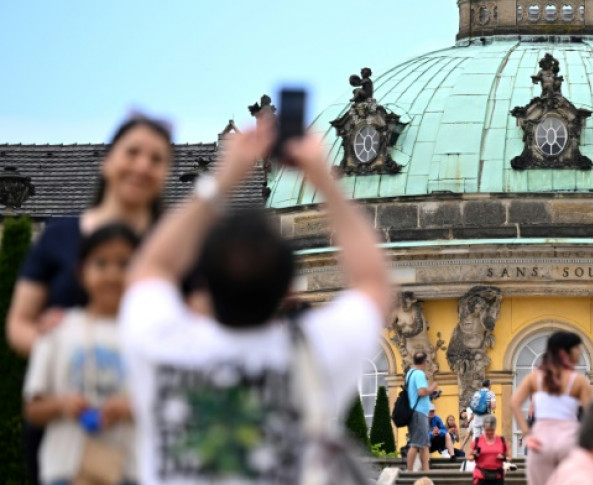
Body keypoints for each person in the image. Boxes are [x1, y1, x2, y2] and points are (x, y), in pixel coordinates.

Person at [118, 121, 393, 484]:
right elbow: (374, 281)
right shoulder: (313, 354)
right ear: (288, 294)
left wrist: (221, 180)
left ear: (202, 285)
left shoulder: (165, 346)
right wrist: (325, 181)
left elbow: (150, 267)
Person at [7, 116, 172, 485]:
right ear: (108, 160)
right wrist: (55, 346)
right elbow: (19, 323)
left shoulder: (173, 248)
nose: (143, 165)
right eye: (132, 152)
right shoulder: (59, 235)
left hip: (138, 454)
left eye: (157, 158)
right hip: (65, 450)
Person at [23, 224, 140, 485]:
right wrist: (62, 405)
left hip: (130, 472)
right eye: (100, 263)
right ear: (80, 272)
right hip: (65, 472)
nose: (112, 274)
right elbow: (32, 408)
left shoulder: (148, 337)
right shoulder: (57, 330)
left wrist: (132, 408)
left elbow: (167, 404)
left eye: (124, 264)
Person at [510, 331, 592, 485]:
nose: (579, 352)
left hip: (540, 440)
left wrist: (527, 433)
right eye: (576, 348)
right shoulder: (578, 381)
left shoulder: (535, 377)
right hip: (569, 439)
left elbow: (514, 402)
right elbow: (591, 416)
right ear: (564, 352)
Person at [407, 351, 440, 471]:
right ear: (424, 362)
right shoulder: (419, 374)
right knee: (416, 444)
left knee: (424, 444)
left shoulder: (410, 373)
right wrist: (432, 387)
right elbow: (421, 392)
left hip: (416, 412)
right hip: (419, 413)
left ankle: (426, 470)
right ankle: (409, 472)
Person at [467, 415, 509, 485]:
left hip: (497, 476)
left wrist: (503, 458)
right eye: (487, 430)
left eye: (491, 430)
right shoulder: (477, 441)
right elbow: (469, 457)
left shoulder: (501, 440)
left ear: (495, 428)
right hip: (481, 476)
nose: (489, 432)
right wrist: (475, 456)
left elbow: (509, 457)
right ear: (483, 428)